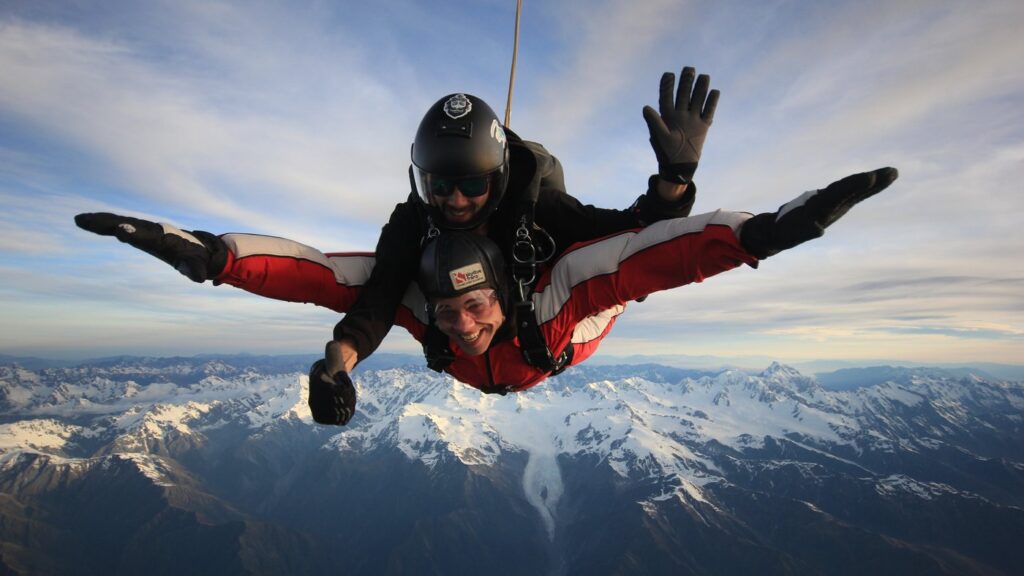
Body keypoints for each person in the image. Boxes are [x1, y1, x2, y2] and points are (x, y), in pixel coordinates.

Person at [326, 66, 719, 381]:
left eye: (473, 185)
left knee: (618, 282)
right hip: (467, 339)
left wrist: (674, 180)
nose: (456, 201)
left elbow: (635, 241)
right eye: (441, 185)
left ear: (496, 180)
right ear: (423, 182)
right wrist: (343, 356)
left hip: (547, 333)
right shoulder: (413, 221)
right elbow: (381, 294)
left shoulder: (538, 209)